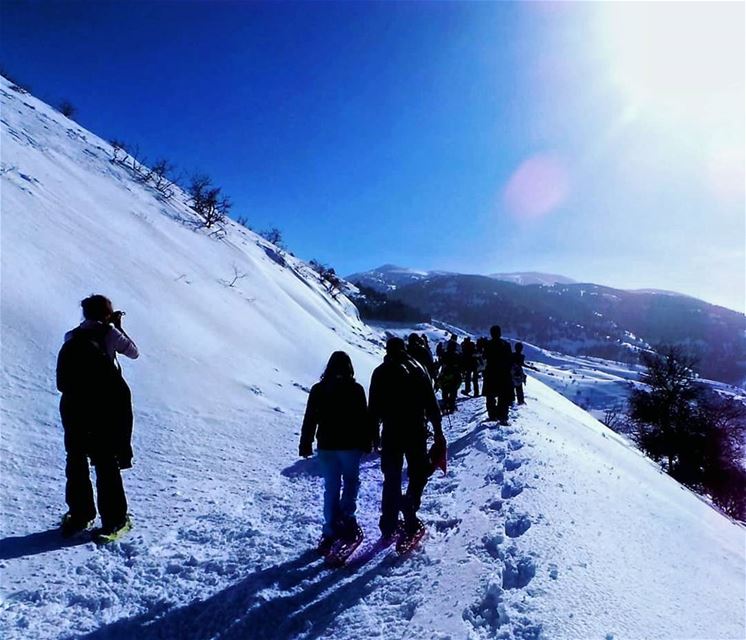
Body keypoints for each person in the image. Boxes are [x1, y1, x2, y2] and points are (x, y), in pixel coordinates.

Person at [56, 295, 138, 542]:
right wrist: (117, 327)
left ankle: (80, 515)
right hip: (103, 409)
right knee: (105, 462)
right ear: (107, 313)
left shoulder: (71, 337)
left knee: (77, 460)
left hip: (73, 408)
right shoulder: (109, 334)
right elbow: (133, 352)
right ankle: (115, 520)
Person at [369, 337, 445, 540]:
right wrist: (438, 431)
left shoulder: (380, 372)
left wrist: (374, 435)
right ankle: (410, 505)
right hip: (415, 430)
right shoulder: (418, 368)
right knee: (418, 473)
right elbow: (431, 403)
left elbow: (373, 408)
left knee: (391, 477)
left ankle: (388, 524)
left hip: (391, 431)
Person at [299, 351, 372, 553]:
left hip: (326, 445)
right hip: (350, 445)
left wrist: (305, 442)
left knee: (331, 486)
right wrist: (368, 441)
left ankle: (330, 528)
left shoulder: (319, 389)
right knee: (350, 481)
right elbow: (363, 419)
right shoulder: (355, 389)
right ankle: (347, 517)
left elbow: (310, 418)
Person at [482, 325, 513, 425]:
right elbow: (510, 359)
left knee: (490, 395)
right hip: (503, 373)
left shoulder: (488, 345)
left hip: (491, 372)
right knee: (503, 396)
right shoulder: (506, 345)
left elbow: (484, 357)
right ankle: (503, 416)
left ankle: (492, 415)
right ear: (500, 333)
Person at [437, 340, 462, 414]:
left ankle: (445, 403)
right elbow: (460, 364)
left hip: (445, 373)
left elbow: (440, 362)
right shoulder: (457, 355)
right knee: (453, 390)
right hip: (455, 374)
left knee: (445, 389)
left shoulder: (444, 354)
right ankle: (451, 405)